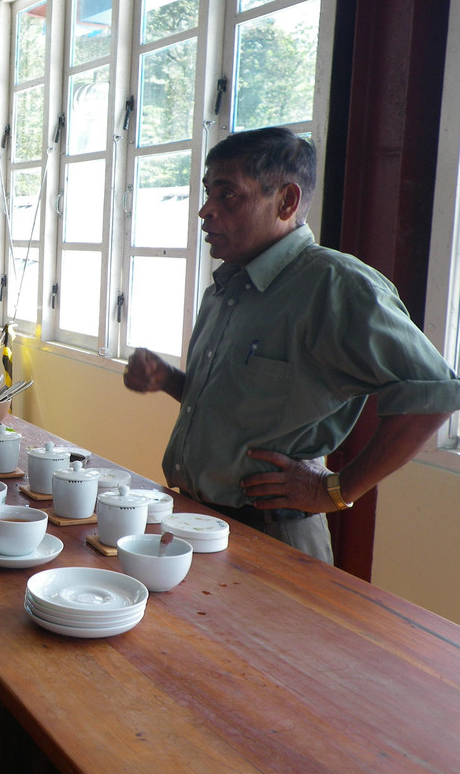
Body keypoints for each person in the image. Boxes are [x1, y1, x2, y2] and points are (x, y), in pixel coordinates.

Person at [123, 126, 460, 564]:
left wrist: (337, 490)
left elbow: (432, 395)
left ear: (287, 201)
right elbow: (235, 407)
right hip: (194, 520)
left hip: (272, 536)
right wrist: (168, 379)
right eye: (207, 193)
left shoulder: (335, 285)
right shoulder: (227, 289)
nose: (205, 210)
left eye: (228, 195)